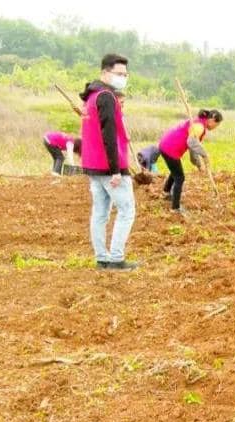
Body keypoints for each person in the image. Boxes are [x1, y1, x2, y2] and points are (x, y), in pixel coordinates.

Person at [78, 53, 137, 271]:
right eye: (118, 73)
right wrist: (115, 170)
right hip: (108, 165)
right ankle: (116, 259)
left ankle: (102, 258)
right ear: (105, 73)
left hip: (93, 164)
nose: (122, 77)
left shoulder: (91, 96)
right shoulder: (106, 97)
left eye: (125, 74)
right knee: (127, 210)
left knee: (100, 212)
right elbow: (108, 134)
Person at [157, 108, 223, 215]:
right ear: (212, 120)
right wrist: (205, 154)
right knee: (180, 177)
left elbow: (193, 150)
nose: (215, 128)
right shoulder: (199, 127)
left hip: (166, 145)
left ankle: (165, 193)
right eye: (217, 125)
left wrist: (198, 164)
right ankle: (175, 208)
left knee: (175, 171)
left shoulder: (199, 123)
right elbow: (191, 142)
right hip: (170, 148)